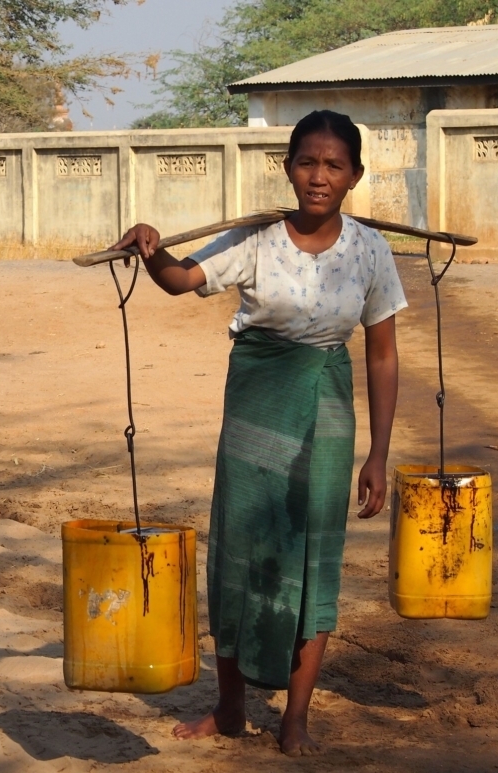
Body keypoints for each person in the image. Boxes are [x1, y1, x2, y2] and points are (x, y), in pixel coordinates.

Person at [110, 110, 405, 756]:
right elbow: (182, 280)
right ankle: (230, 707)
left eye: (334, 165)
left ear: (354, 176)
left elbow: (383, 355)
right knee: (239, 549)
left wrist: (378, 454)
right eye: (307, 162)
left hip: (326, 416)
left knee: (312, 556)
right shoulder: (255, 238)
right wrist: (152, 250)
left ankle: (295, 716)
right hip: (253, 413)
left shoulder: (369, 251)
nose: (319, 176)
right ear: (288, 168)